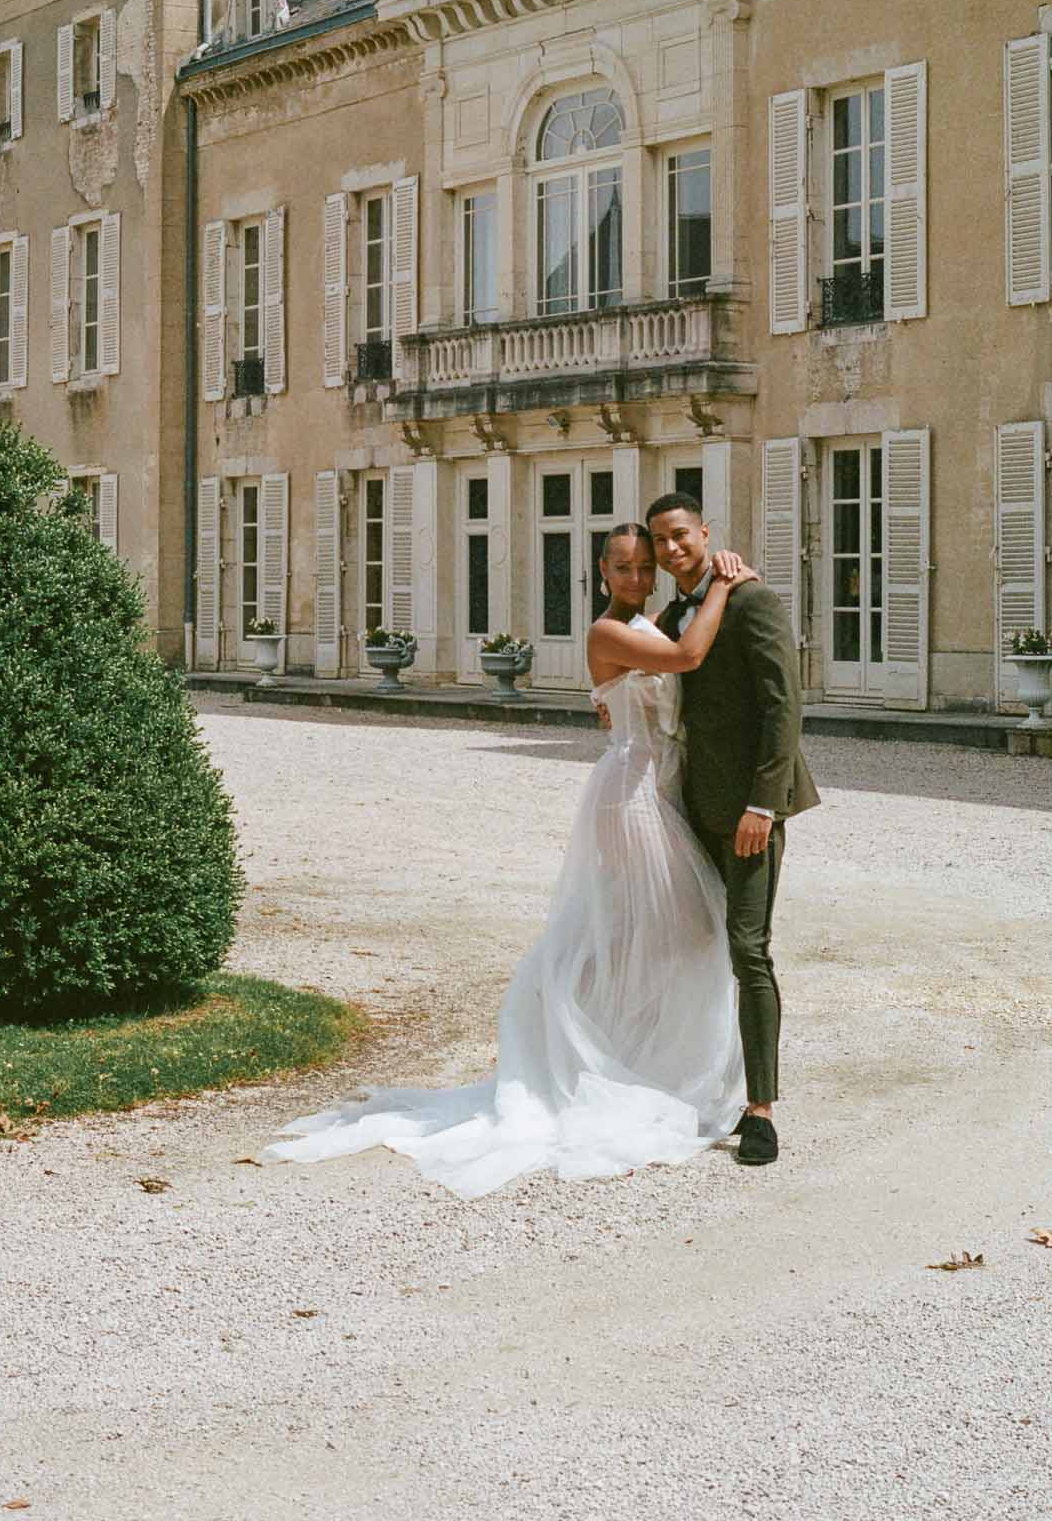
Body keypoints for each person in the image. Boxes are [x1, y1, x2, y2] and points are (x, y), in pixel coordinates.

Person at [261, 525, 758, 1199]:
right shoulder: (607, 631)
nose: (638, 577)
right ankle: (581, 1051)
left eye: (646, 566)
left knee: (660, 932)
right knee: (659, 928)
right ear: (602, 572)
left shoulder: (648, 620)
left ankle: (631, 1057)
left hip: (660, 786)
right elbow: (688, 656)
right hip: (631, 792)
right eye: (624, 567)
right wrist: (723, 582)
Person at [648, 492, 820, 1170]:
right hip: (689, 808)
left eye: (681, 535)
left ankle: (761, 1111)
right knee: (690, 948)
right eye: (660, 541)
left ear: (705, 533)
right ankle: (695, 1083)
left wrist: (764, 805)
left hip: (749, 812)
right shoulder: (671, 618)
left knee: (749, 951)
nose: (671, 549)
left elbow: (784, 708)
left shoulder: (752, 601)